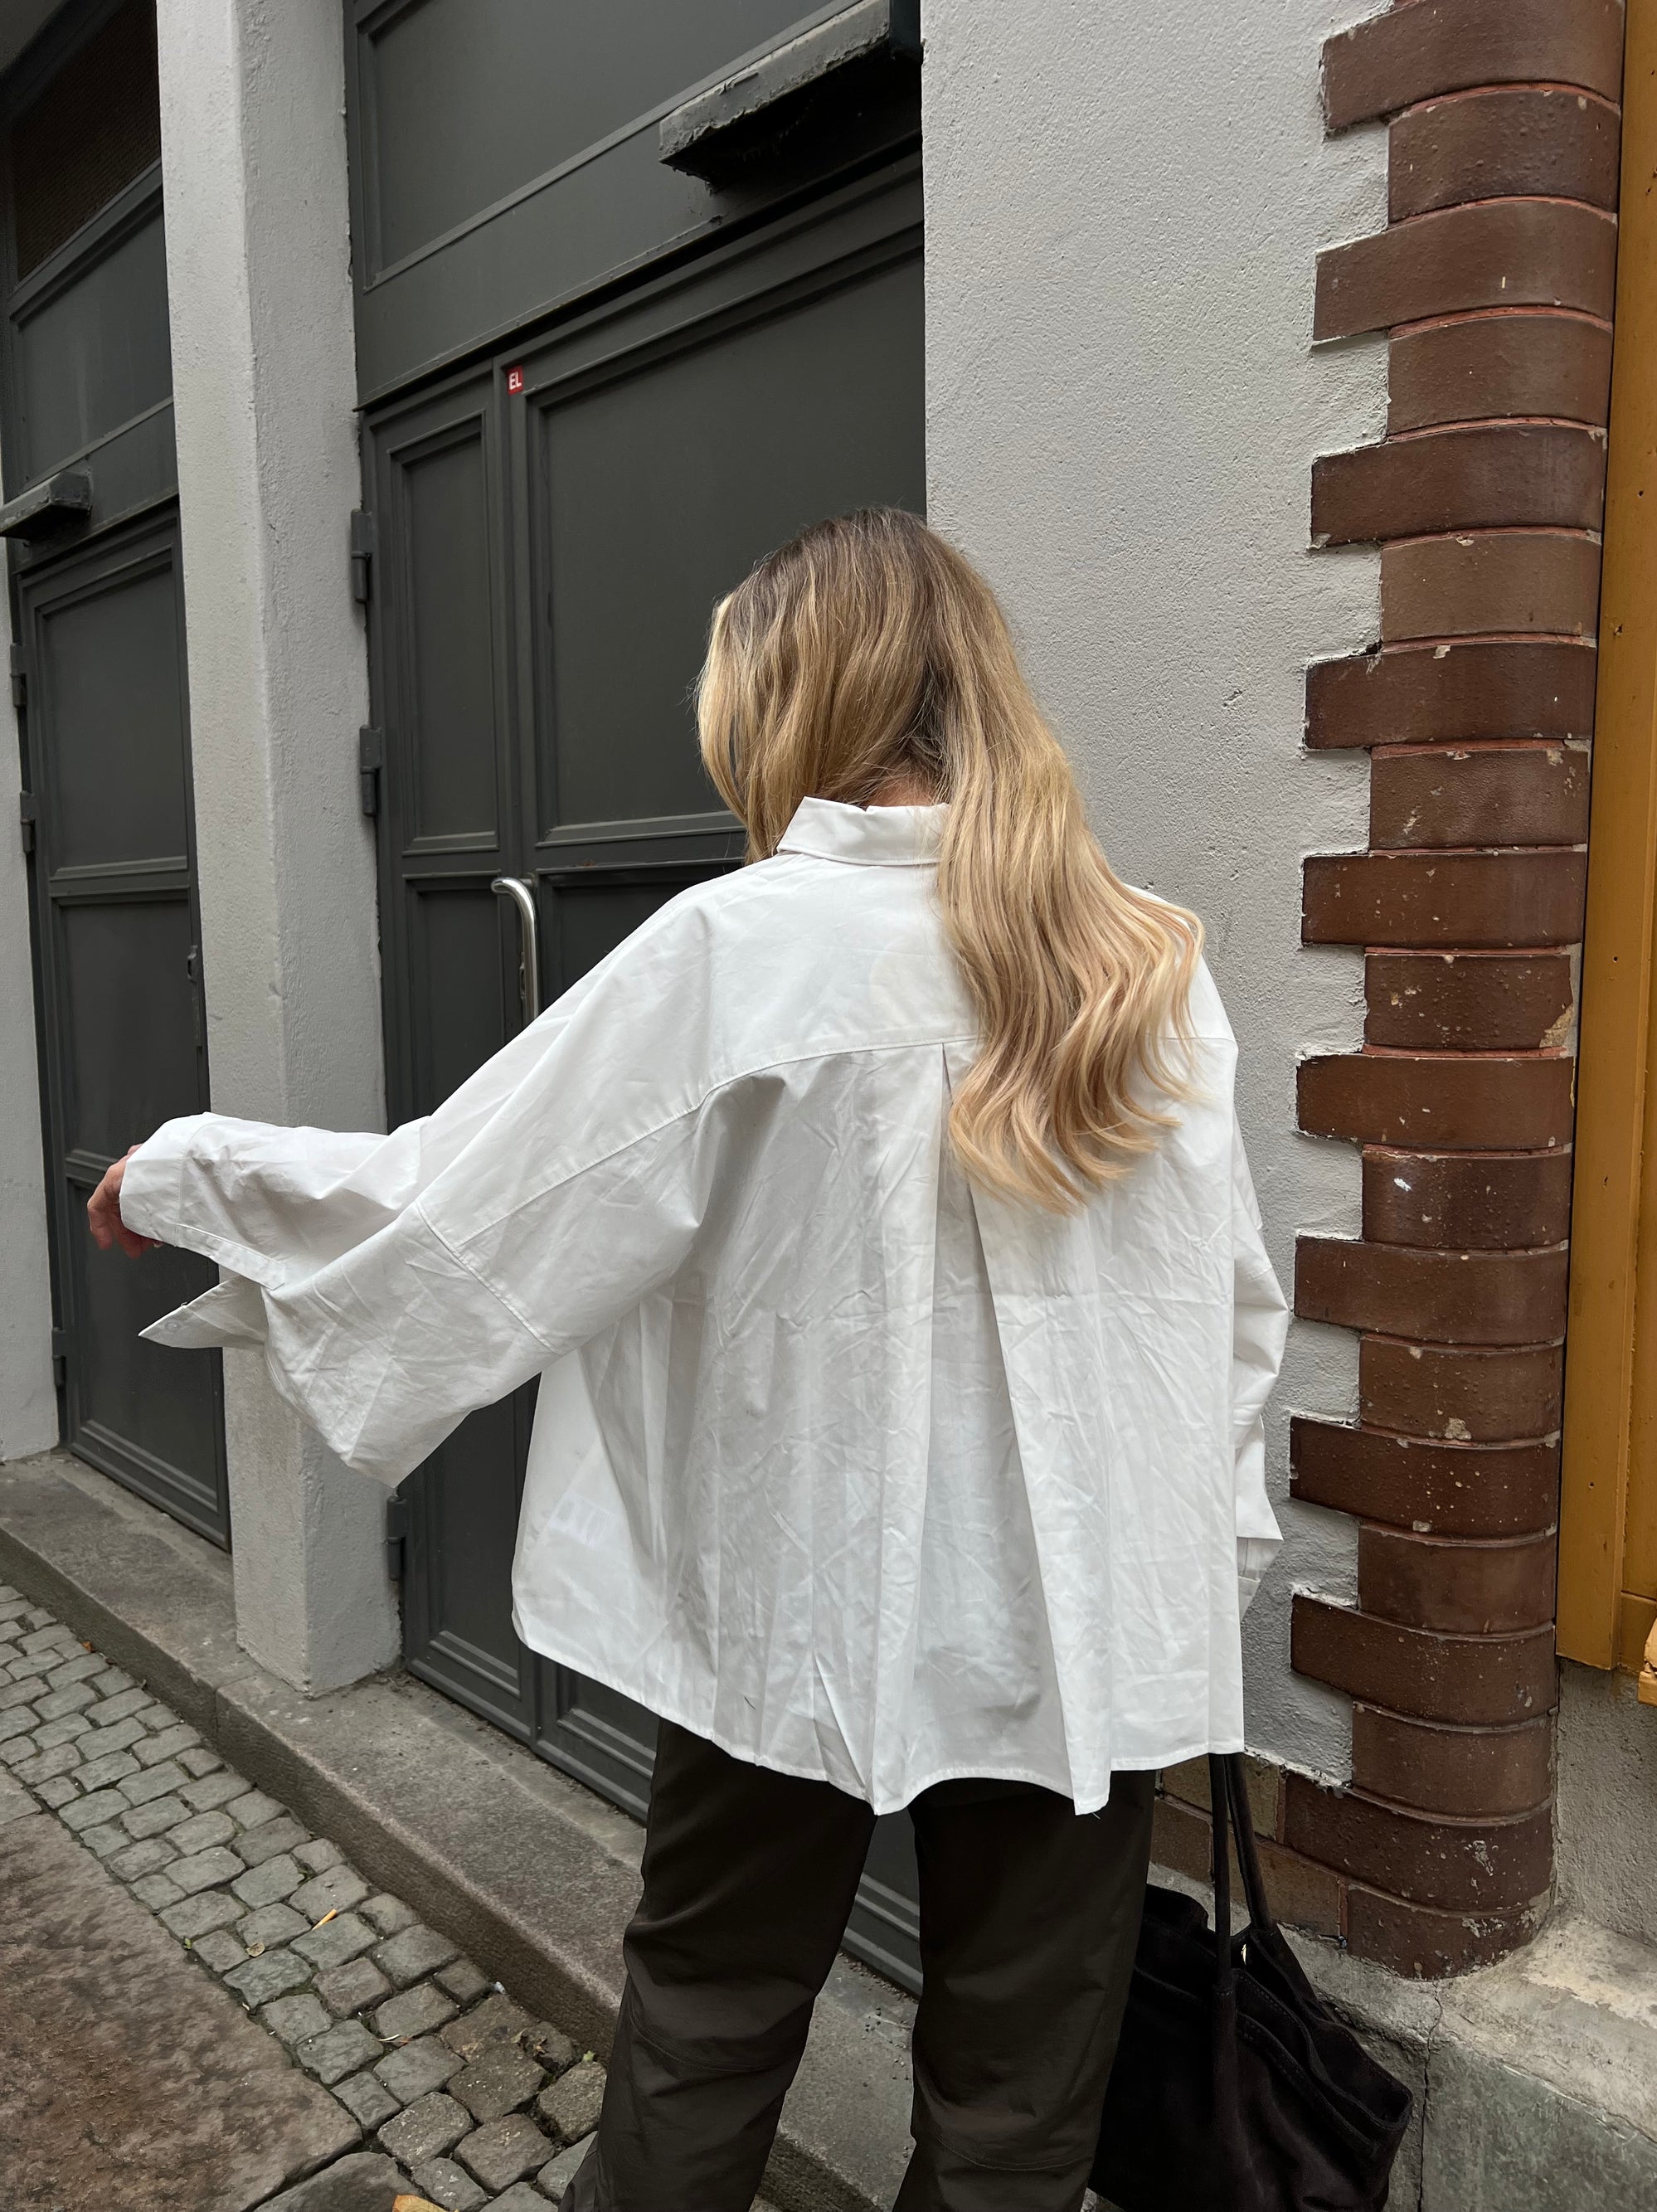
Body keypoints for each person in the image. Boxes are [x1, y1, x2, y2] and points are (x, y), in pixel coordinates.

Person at [89, 508, 1286, 2212]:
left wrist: (194, 1173)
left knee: (710, 2018)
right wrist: (1197, 1572)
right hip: (1085, 1608)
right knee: (1025, 2091)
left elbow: (462, 1209)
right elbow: (1224, 1315)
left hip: (789, 1602)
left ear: (790, 702)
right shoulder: (1145, 957)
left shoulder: (743, 953)